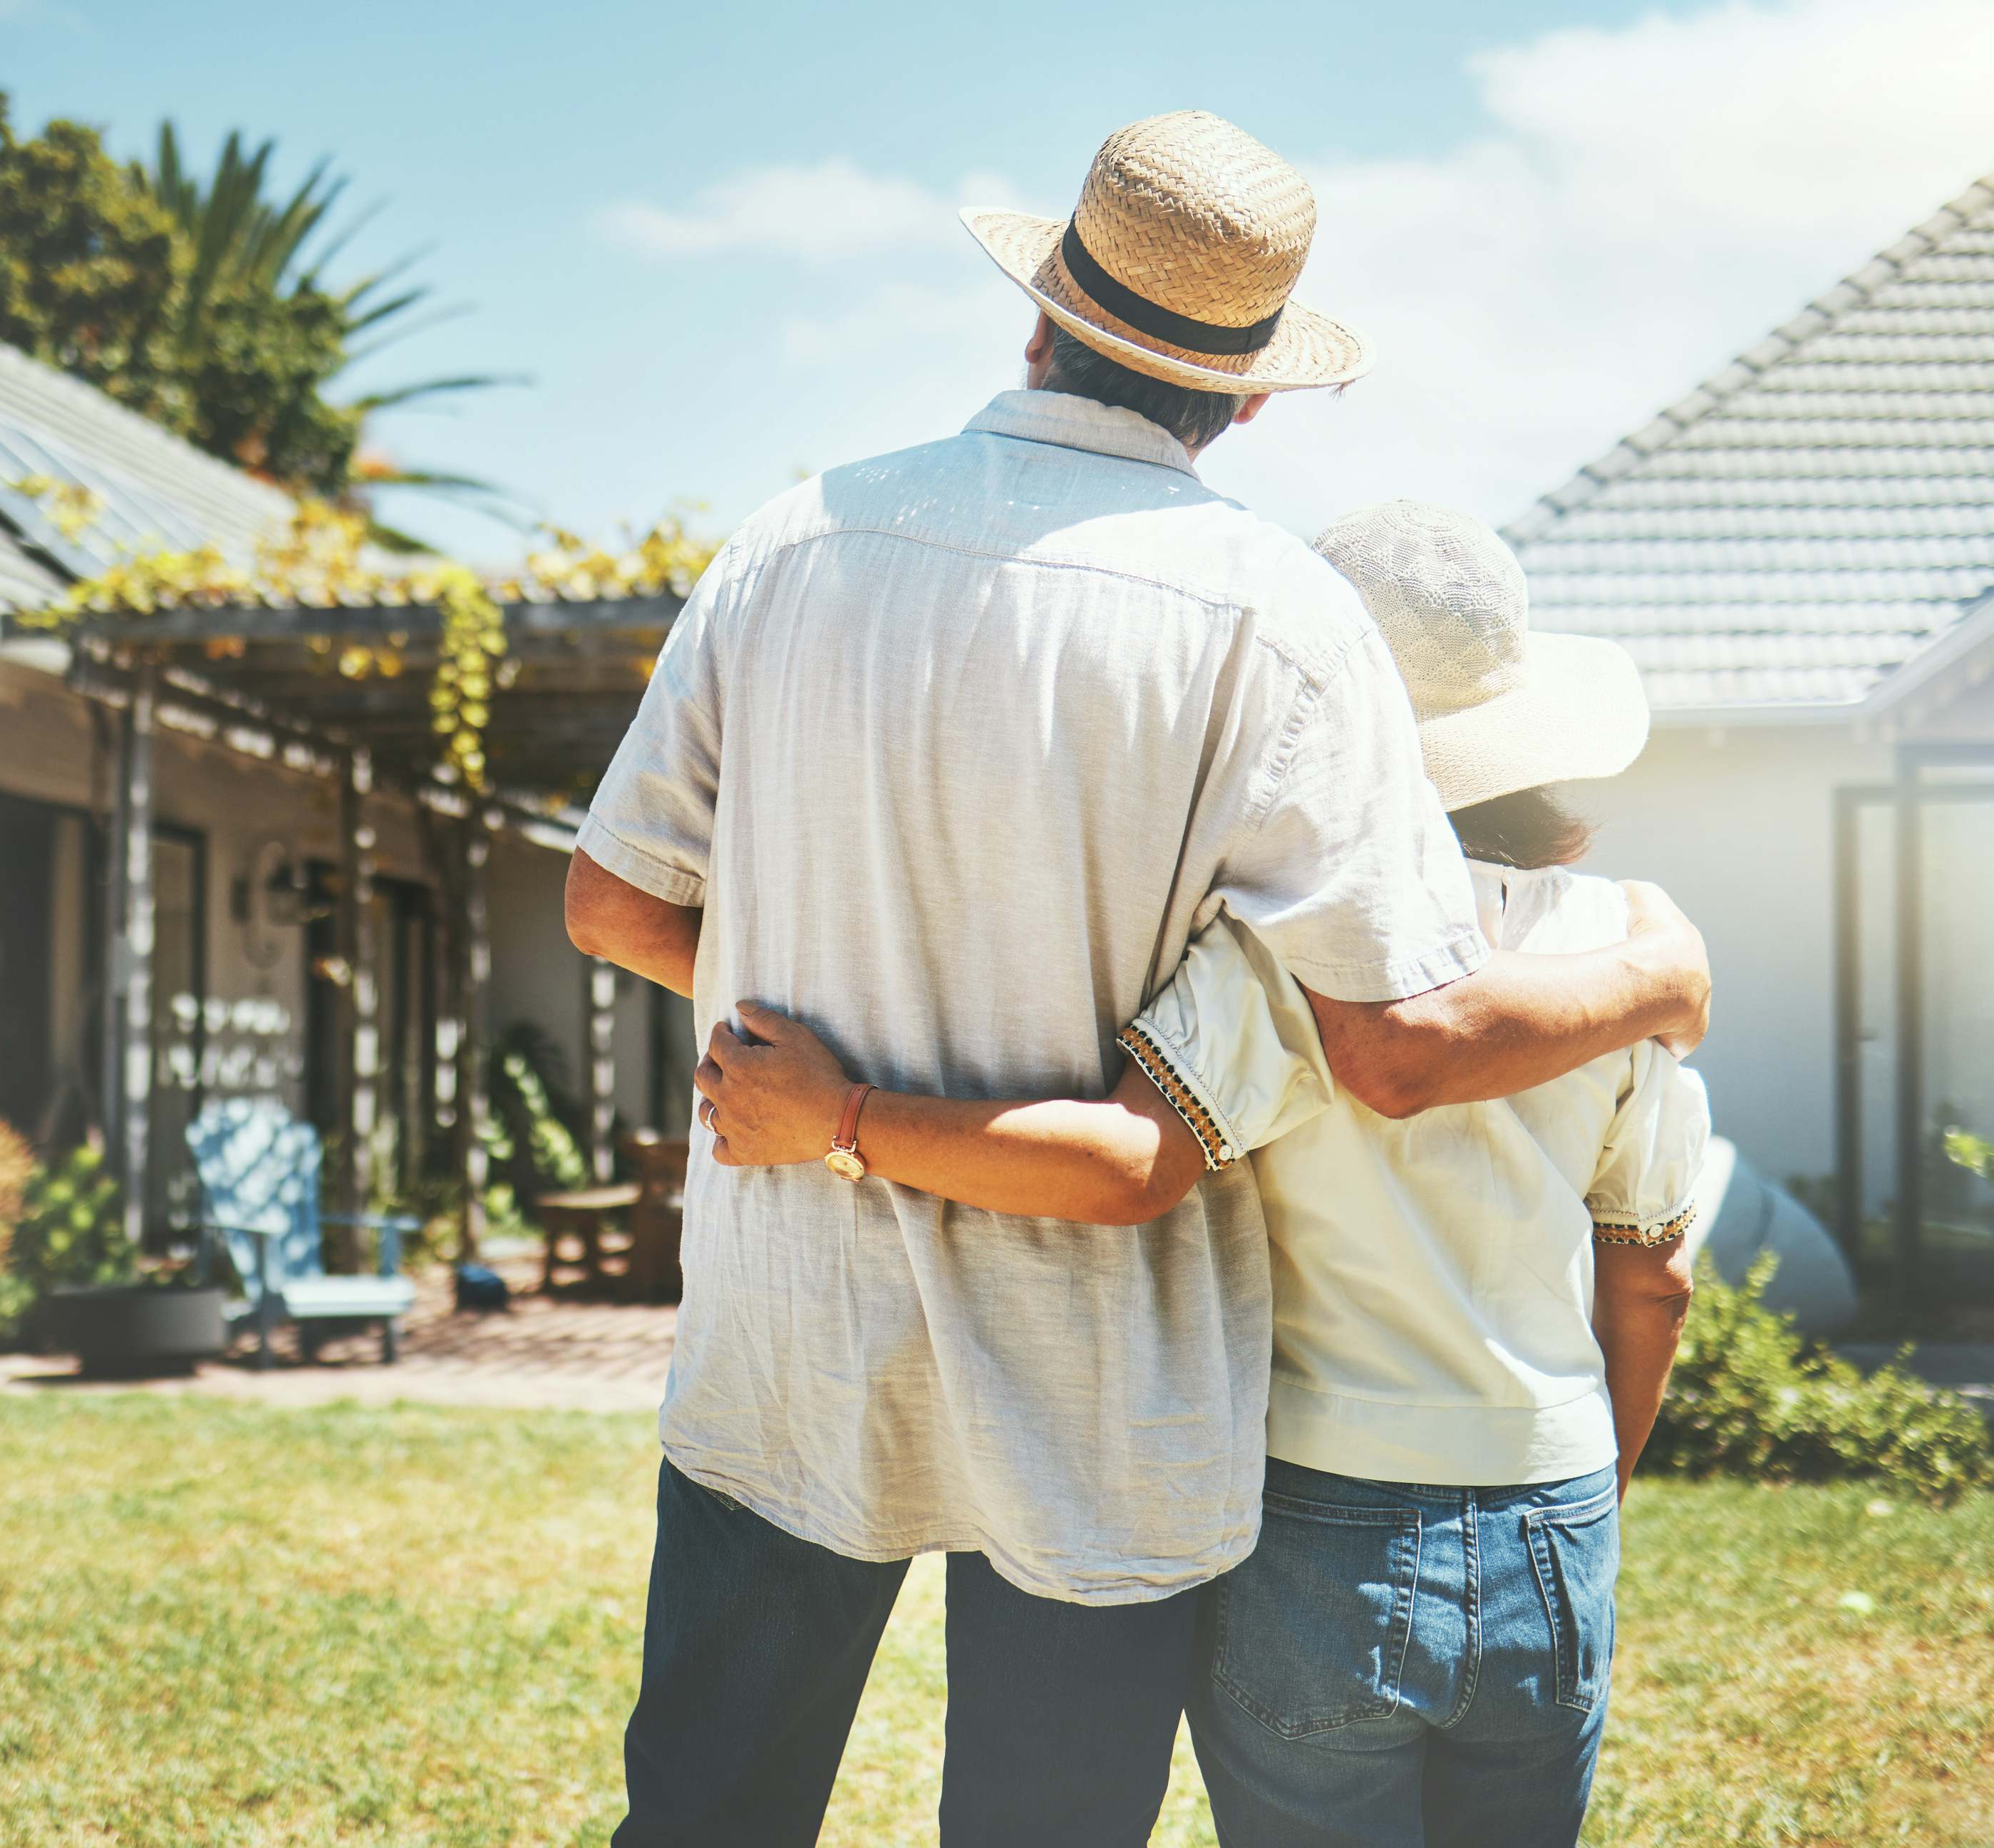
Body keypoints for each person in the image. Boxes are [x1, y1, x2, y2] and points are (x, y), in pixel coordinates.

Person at [567, 111, 1713, 1848]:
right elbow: (1392, 1047)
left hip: (789, 1325)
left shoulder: (792, 539)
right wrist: (1656, 975)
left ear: (1036, 315)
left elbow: (607, 900)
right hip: (1096, 1379)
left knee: (710, 1814)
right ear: (1252, 395)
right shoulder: (1277, 615)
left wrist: (802, 1069)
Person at [698, 499, 1708, 1848]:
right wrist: (1589, 1485)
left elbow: (1127, 1161)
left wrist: (841, 1114)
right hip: (1556, 1514)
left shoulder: (1285, 953)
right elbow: (1654, 1275)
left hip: (1327, 1513)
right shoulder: (1622, 951)